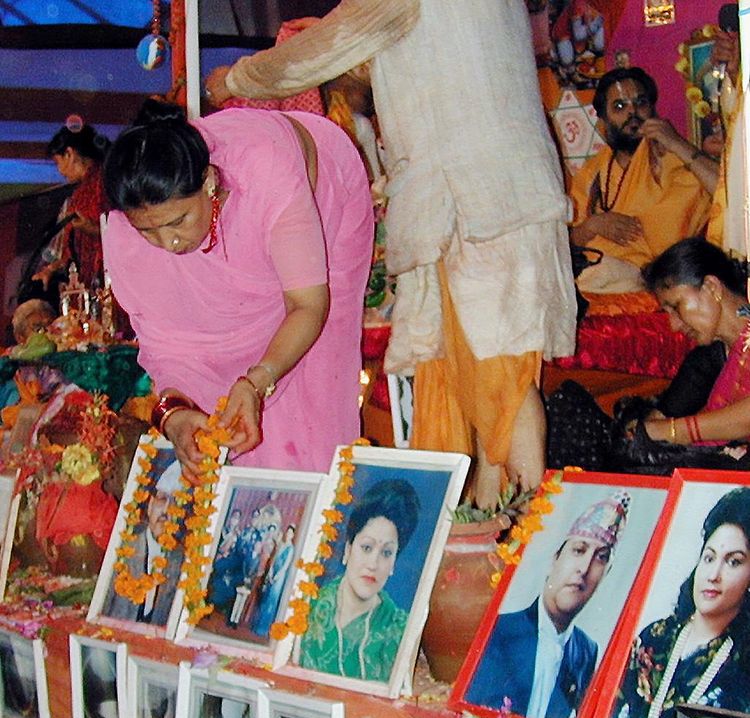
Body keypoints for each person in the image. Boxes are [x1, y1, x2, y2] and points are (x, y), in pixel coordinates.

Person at [204, 0, 577, 501]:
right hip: (473, 201)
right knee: (464, 379)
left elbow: (330, 45)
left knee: (503, 384)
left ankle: (526, 542)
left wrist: (237, 79)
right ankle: (488, 532)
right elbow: (412, 50)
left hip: (481, 202)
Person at [102, 99, 372, 479]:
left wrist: (257, 381)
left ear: (210, 181)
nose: (169, 242)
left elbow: (307, 307)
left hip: (326, 201)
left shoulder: (267, 173)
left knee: (314, 390)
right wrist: (175, 415)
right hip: (259, 215)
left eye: (178, 221)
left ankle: (319, 506)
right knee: (225, 424)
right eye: (149, 230)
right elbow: (168, 348)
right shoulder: (127, 237)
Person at [546, 237, 750, 473]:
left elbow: (668, 428)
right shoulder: (709, 356)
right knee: (568, 414)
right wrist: (643, 431)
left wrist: (673, 431)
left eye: (676, 306)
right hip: (708, 468)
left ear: (712, 288)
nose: (673, 325)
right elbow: (660, 417)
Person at [464, 490, 630, 718]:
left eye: (600, 557)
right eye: (578, 550)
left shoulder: (586, 651)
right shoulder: (500, 629)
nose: (584, 568)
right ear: (555, 559)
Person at [610, 488, 750, 718]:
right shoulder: (654, 638)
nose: (713, 574)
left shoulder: (742, 665)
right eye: (709, 558)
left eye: (733, 562)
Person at [569, 67, 715, 294]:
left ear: (652, 110)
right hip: (594, 276)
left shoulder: (671, 157)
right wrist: (593, 225)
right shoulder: (592, 173)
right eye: (619, 106)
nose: (632, 112)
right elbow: (566, 241)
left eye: (640, 103)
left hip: (658, 280)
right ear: (603, 120)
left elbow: (726, 192)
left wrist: (676, 143)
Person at [299, 477, 420, 682]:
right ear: (347, 550)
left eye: (387, 553)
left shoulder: (398, 629)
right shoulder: (307, 605)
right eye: (366, 548)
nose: (373, 564)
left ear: (393, 564)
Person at [102, 459, 185, 627]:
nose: (166, 511)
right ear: (150, 505)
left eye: (175, 503)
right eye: (162, 499)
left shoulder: (182, 560)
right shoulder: (124, 548)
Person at [32, 123, 110, 294]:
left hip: (109, 278)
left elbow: (126, 231)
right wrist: (51, 269)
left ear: (69, 153)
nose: (60, 171)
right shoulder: (79, 194)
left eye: (58, 162)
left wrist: (92, 229)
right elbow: (71, 250)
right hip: (89, 283)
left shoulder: (105, 181)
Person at [251, 522, 297, 637]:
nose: (288, 534)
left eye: (291, 533)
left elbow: (285, 566)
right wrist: (270, 572)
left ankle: (264, 629)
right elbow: (274, 560)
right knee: (265, 599)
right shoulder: (281, 545)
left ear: (293, 535)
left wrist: (276, 576)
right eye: (288, 532)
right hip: (272, 574)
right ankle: (257, 626)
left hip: (279, 578)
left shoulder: (291, 549)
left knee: (272, 602)